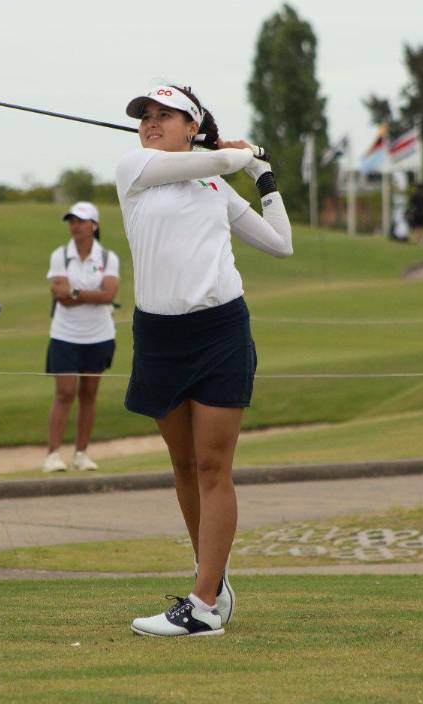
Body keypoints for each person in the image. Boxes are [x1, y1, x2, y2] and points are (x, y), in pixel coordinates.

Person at [116, 86, 293, 637]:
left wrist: (263, 178)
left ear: (192, 126)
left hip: (220, 331)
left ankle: (202, 603)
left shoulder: (215, 185)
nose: (150, 123)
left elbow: (280, 243)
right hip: (158, 334)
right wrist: (241, 154)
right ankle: (210, 575)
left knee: (213, 465)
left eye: (164, 115)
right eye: (145, 116)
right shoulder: (135, 169)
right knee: (183, 465)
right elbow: (216, 161)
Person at [43, 201, 120, 473]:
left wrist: (75, 292)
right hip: (65, 335)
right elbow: (60, 297)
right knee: (65, 393)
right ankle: (53, 454)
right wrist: (89, 295)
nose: (75, 226)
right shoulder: (60, 255)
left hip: (99, 335)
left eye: (81, 221)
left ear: (94, 225)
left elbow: (109, 295)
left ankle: (81, 453)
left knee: (88, 394)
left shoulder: (108, 258)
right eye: (72, 221)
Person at [406, 181, 423, 245]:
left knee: (417, 227)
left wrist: (410, 213)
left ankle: (419, 240)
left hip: (416, 213)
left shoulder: (414, 195)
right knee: (422, 226)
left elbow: (411, 204)